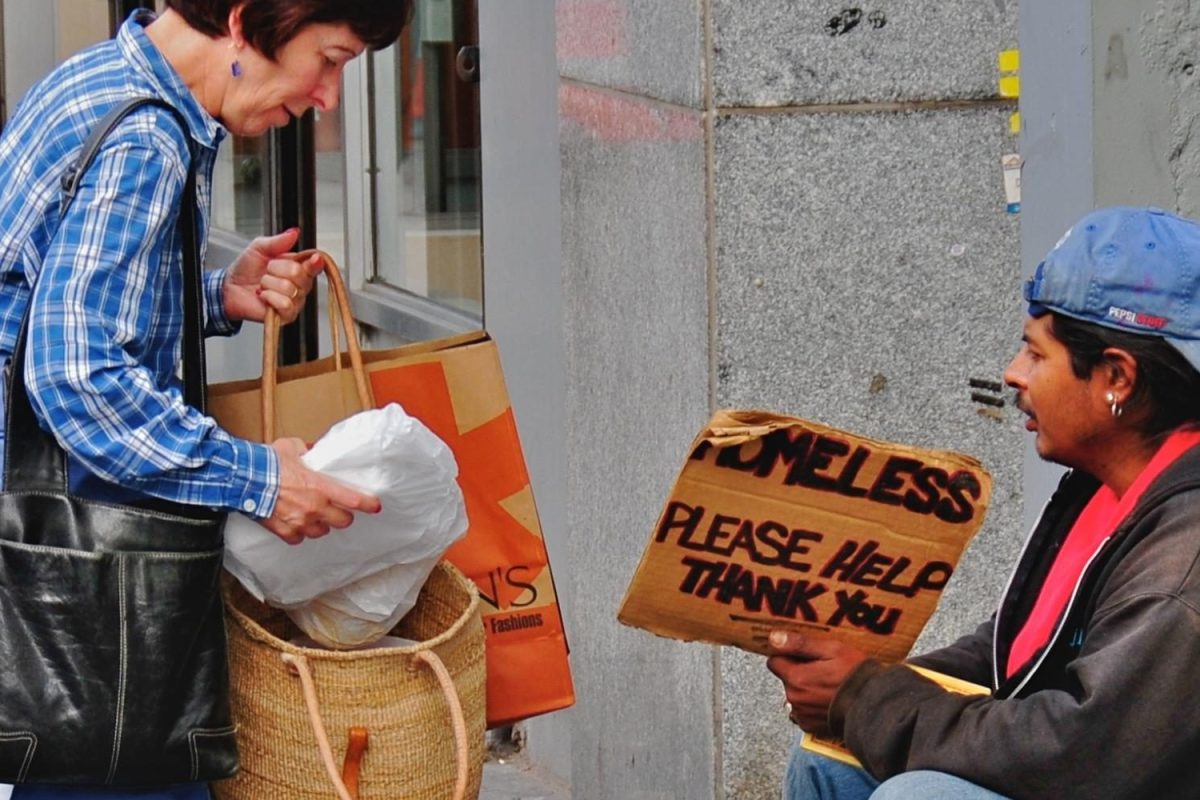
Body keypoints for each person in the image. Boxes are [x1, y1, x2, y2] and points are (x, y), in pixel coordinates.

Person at [0, 0, 411, 798]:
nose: (327, 97)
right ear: (246, 19)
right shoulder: (146, 140)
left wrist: (218, 296)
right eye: (329, 58)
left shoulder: (100, 81)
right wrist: (259, 479)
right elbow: (76, 376)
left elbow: (56, 300)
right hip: (79, 561)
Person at [767, 206, 1200, 800]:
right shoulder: (1114, 485)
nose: (1014, 374)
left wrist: (868, 697)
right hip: (1079, 764)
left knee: (918, 797)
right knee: (829, 762)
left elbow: (1076, 751)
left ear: (1116, 378)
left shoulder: (1184, 555)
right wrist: (865, 680)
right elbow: (1013, 657)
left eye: (1036, 353)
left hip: (1091, 772)